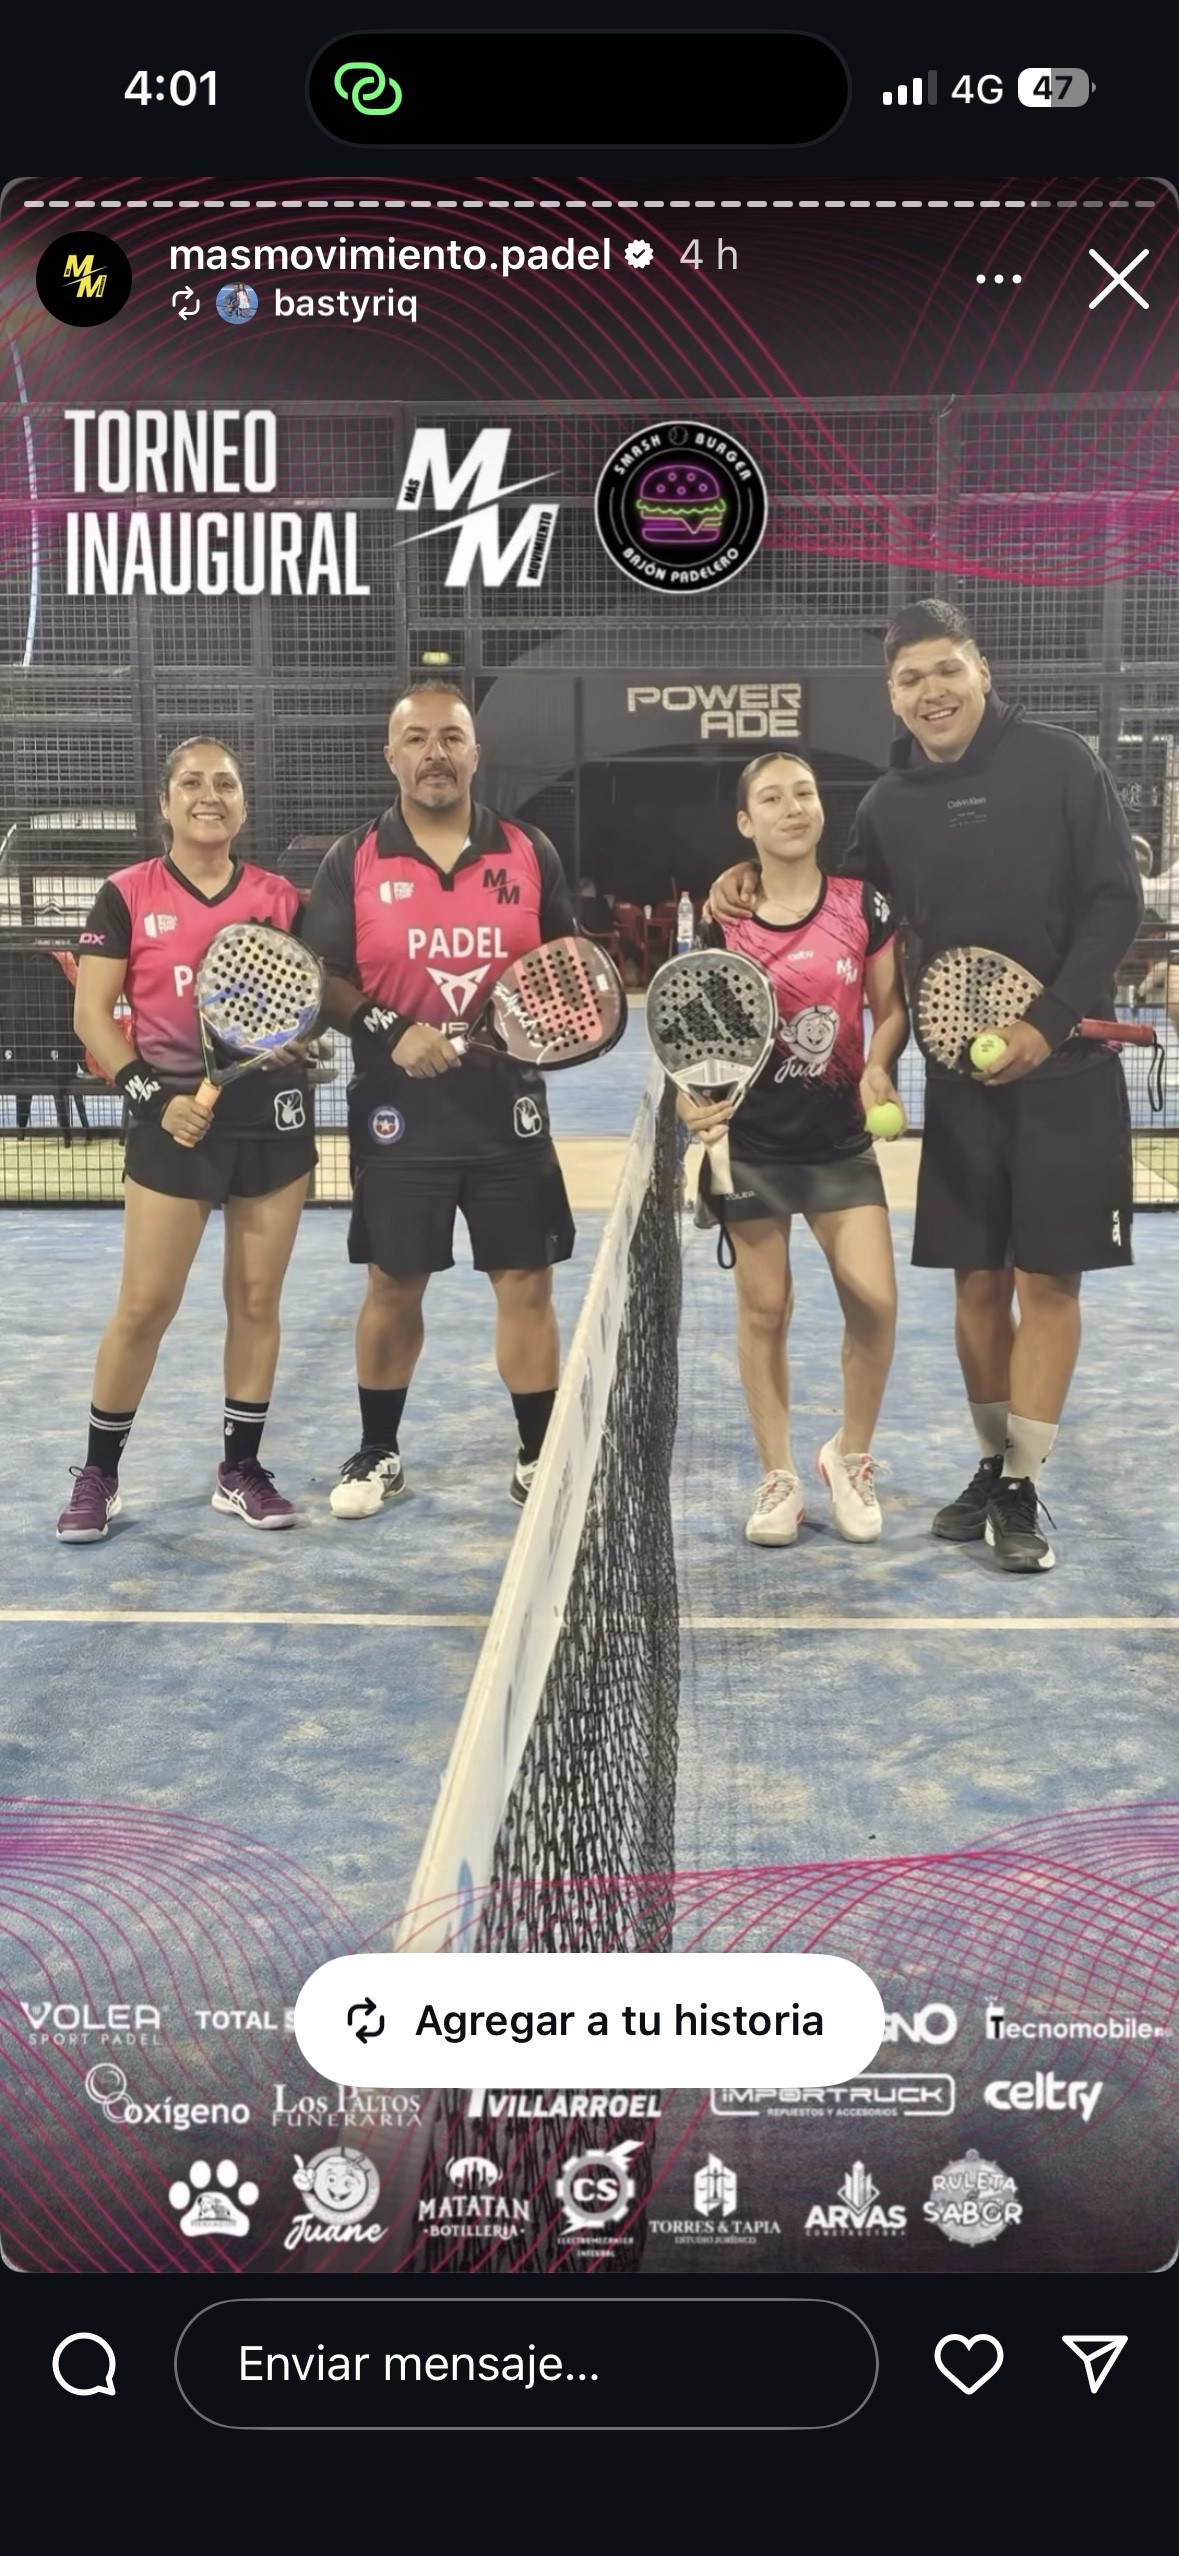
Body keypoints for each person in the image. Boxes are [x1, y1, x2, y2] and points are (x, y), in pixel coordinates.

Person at [709, 601, 1144, 1572]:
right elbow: (838, 909)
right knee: (977, 1282)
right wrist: (745, 875)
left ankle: (1022, 1484)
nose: (931, 691)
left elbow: (1115, 902)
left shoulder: (1061, 762)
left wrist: (1045, 1023)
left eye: (946, 669)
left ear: (980, 669)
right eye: (910, 679)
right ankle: (993, 1465)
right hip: (961, 1089)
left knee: (1046, 1282)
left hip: (1066, 1075)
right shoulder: (887, 805)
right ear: (893, 696)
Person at [301, 679, 576, 1516]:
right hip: (396, 1117)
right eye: (417, 739)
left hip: (507, 1111)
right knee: (393, 1283)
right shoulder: (353, 858)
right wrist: (390, 1029)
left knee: (524, 1282)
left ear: (474, 755)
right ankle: (377, 1452)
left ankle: (538, 1453)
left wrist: (539, 1023)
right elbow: (323, 979)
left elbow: (564, 970)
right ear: (391, 755)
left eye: (450, 738)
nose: (435, 753)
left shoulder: (529, 851)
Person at [56, 737, 316, 1541]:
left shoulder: (280, 898)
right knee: (145, 1305)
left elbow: (305, 1001)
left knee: (257, 1300)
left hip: (270, 1121)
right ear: (165, 803)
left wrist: (297, 1042)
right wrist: (153, 1098)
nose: (211, 796)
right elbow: (92, 1016)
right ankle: (99, 1475)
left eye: (226, 784)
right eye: (193, 783)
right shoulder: (125, 894)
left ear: (243, 803)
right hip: (170, 1121)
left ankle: (240, 1470)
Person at [684, 752, 907, 1546]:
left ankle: (847, 1455)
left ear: (820, 809)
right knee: (764, 1308)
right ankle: (777, 1474)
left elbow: (888, 1007)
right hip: (753, 1142)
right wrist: (689, 1097)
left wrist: (878, 1064)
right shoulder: (724, 919)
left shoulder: (861, 904)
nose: (792, 808)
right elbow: (693, 1028)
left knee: (875, 1303)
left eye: (804, 793)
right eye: (772, 798)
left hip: (840, 1140)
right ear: (746, 823)